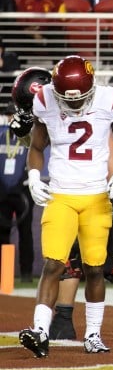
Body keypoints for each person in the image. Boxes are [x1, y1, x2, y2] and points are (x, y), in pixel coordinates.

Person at [10, 67, 113, 340]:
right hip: (72, 189)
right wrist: (26, 135)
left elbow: (109, 152)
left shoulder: (95, 110)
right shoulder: (51, 106)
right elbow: (48, 143)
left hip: (105, 185)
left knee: (91, 261)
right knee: (74, 258)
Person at [19, 55, 113, 358]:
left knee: (94, 269)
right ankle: (39, 331)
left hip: (96, 196)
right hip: (60, 195)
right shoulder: (45, 99)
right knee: (53, 263)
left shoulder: (109, 99)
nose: (74, 106)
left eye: (80, 99)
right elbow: (36, 146)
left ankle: (93, 334)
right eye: (67, 99)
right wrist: (34, 176)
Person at [0, 102, 34, 282]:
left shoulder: (28, 138)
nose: (10, 118)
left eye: (13, 114)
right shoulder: (1, 135)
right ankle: (4, 275)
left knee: (25, 233)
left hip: (23, 191)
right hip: (3, 191)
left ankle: (27, 274)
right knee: (2, 232)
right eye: (8, 115)